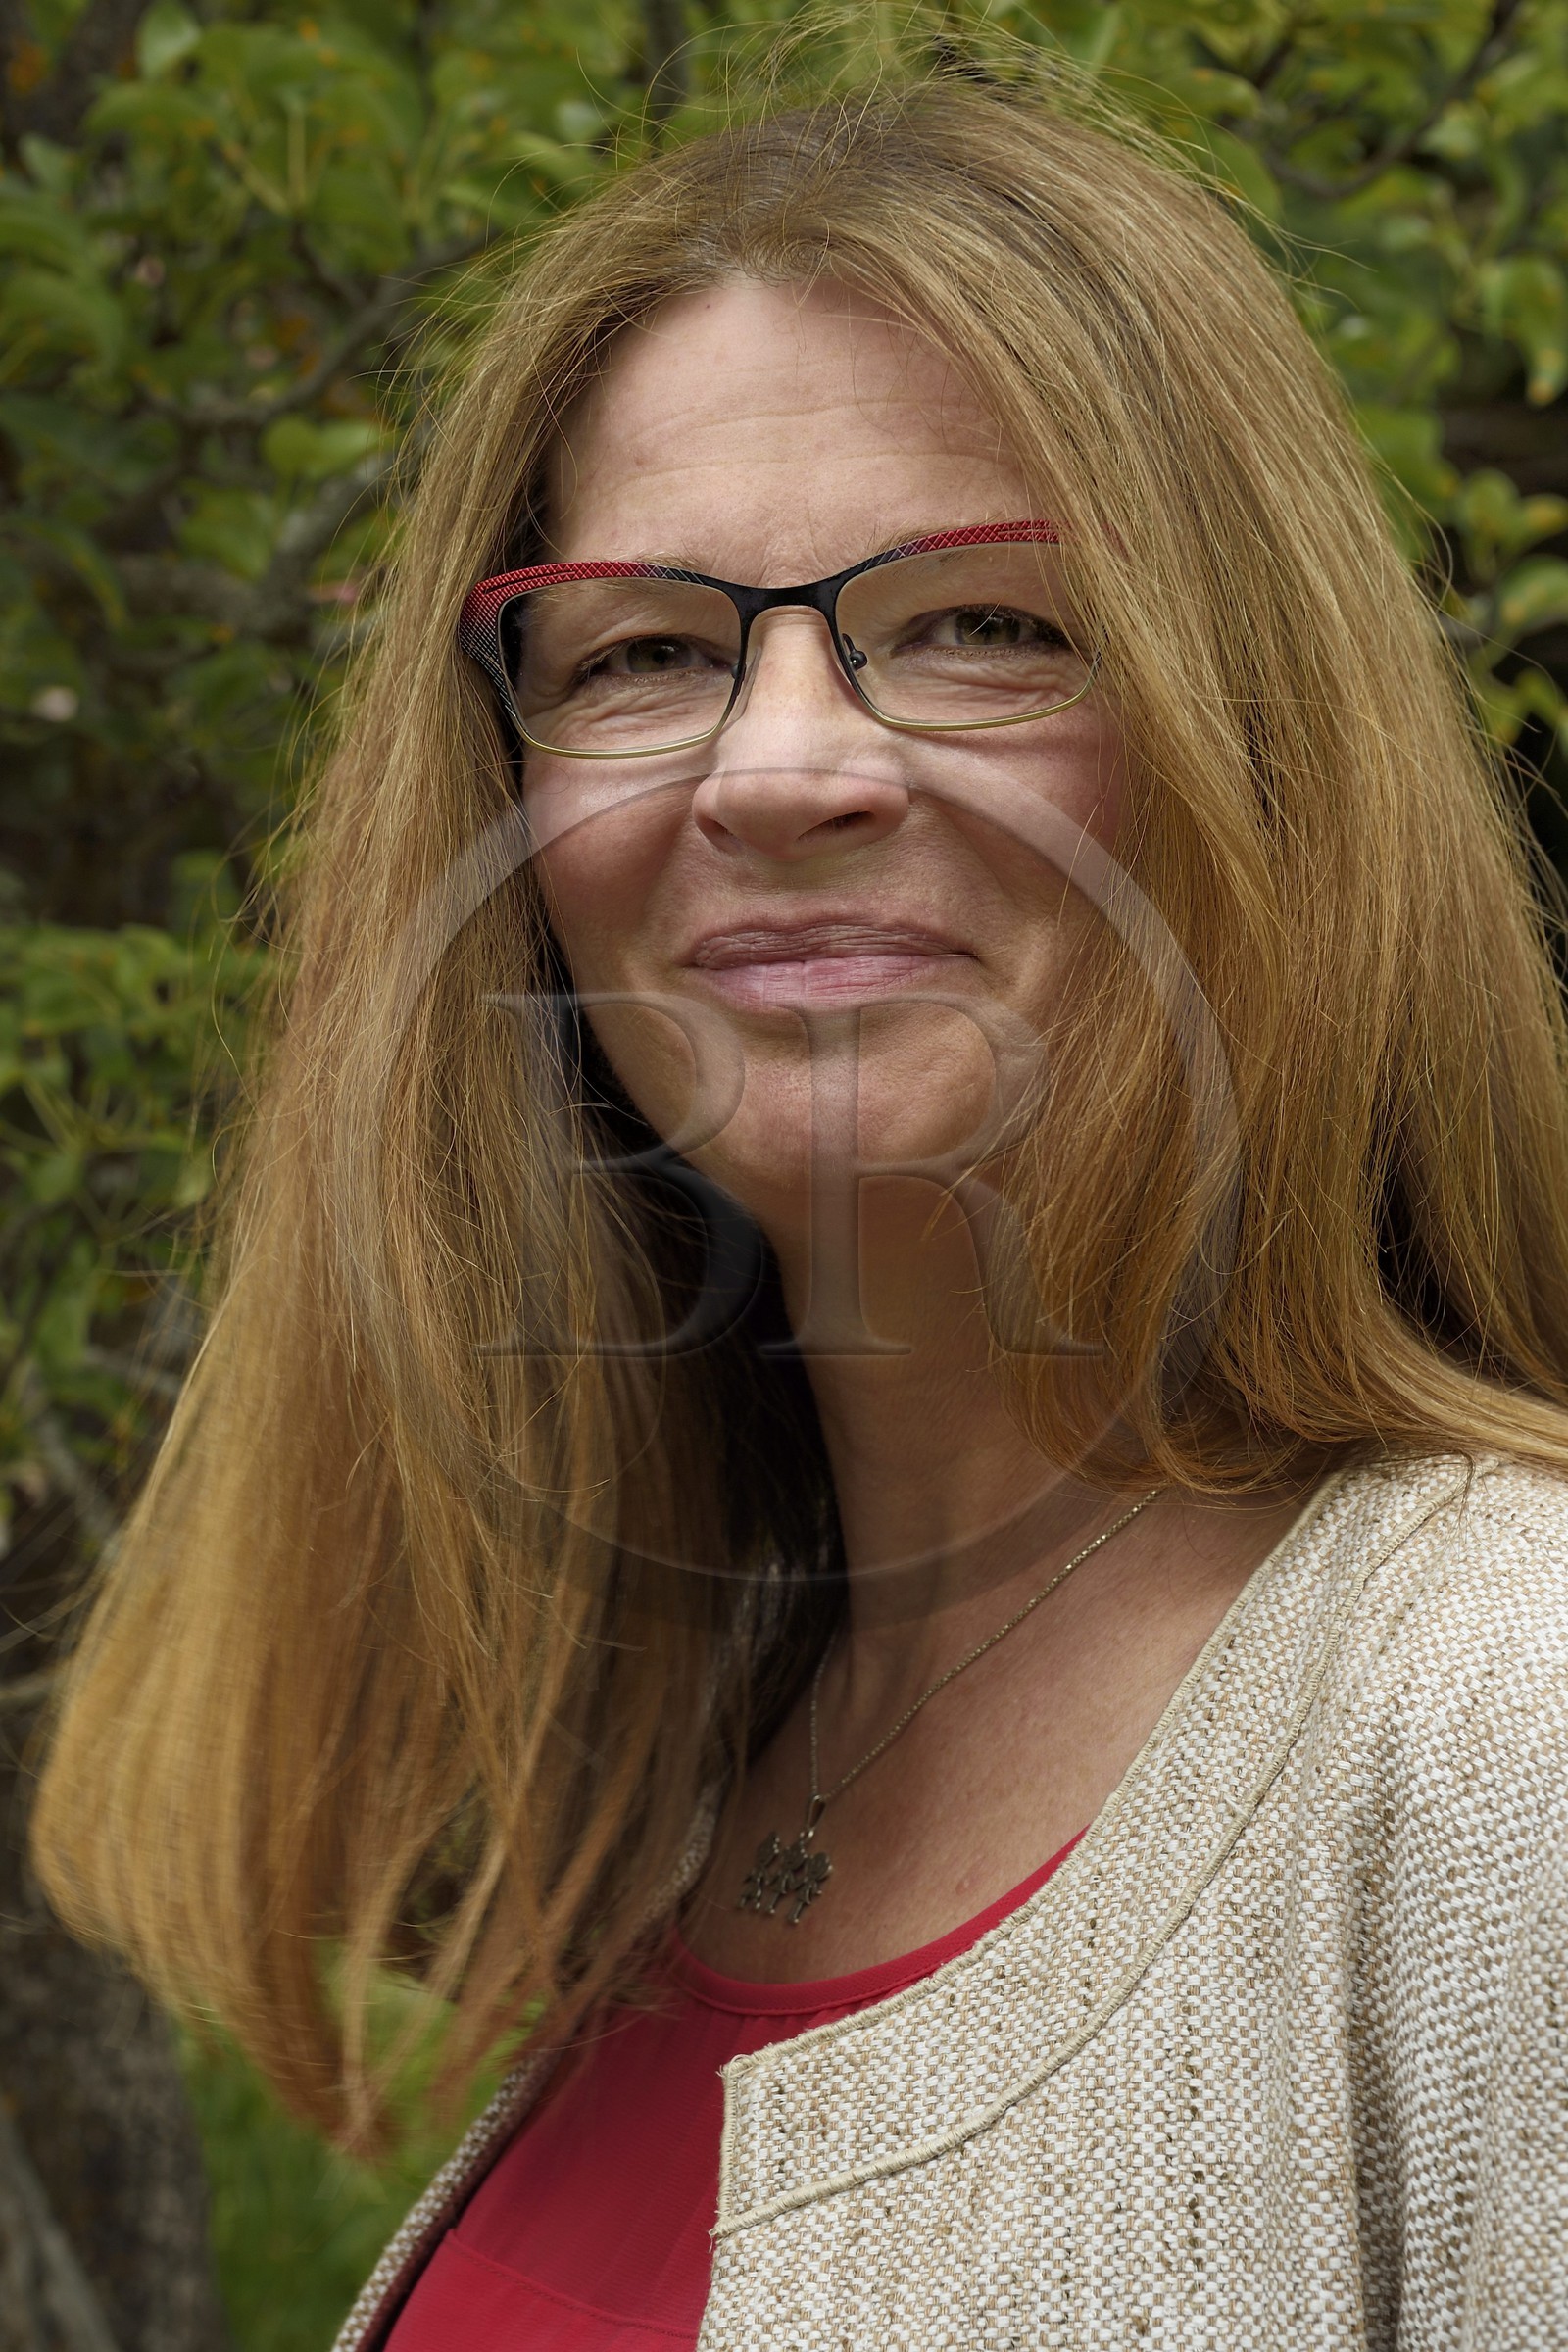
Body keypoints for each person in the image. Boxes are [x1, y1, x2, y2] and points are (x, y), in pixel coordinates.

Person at [34, 74, 1568, 2352]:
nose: (778, 769)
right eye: (640, 654)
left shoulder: (1495, 1720)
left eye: (974, 624)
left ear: (1261, 750)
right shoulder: (699, 1764)